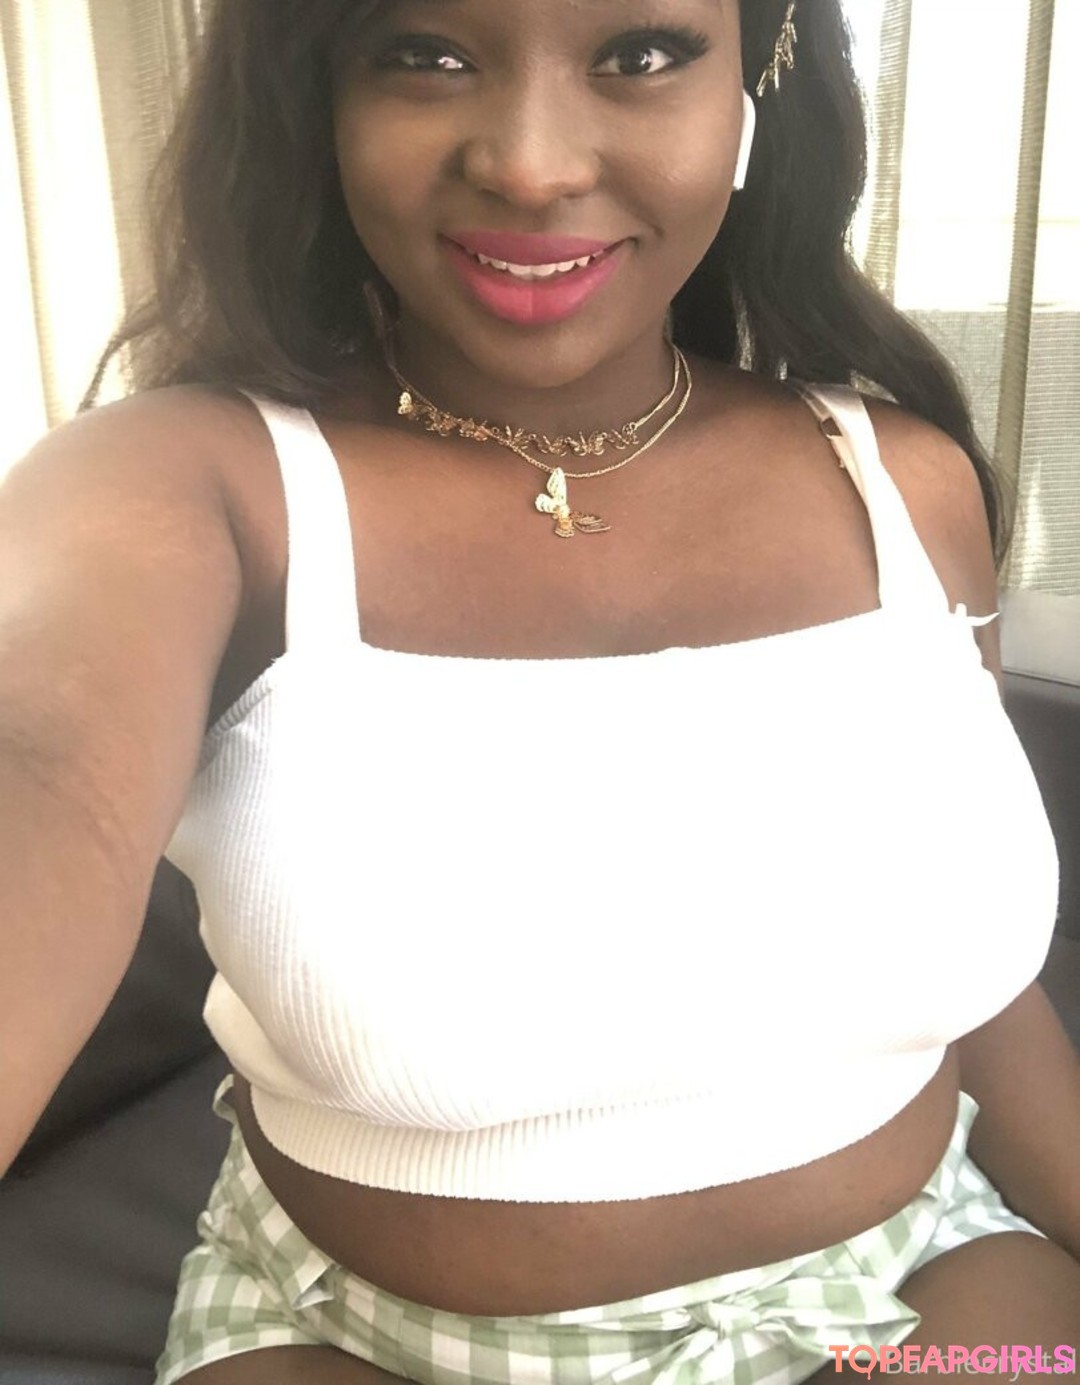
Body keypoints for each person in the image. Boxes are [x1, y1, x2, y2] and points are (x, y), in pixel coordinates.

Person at [2, 0, 1079, 1379]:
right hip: (357, 1336)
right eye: (426, 54)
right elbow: (41, 770)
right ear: (320, 95)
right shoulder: (181, 488)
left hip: (912, 1293)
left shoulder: (902, 479)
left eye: (642, 55)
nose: (529, 163)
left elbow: (979, 978)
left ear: (760, 77)